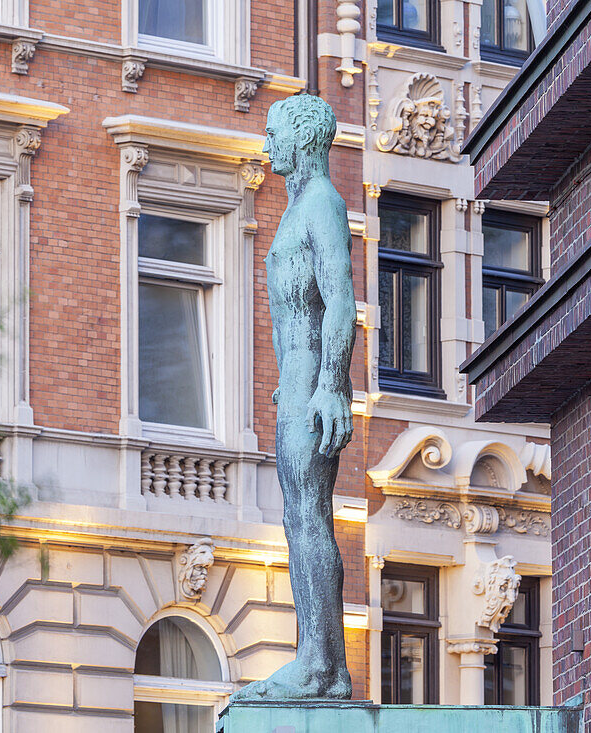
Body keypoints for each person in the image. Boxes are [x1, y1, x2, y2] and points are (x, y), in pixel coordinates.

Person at [232, 94, 356, 700]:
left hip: (312, 385)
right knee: (298, 517)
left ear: (303, 138)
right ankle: (321, 663)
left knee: (309, 516)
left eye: (275, 134)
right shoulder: (299, 209)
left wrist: (332, 384)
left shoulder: (321, 206)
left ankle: (319, 664)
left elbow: (340, 299)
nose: (268, 145)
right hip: (298, 383)